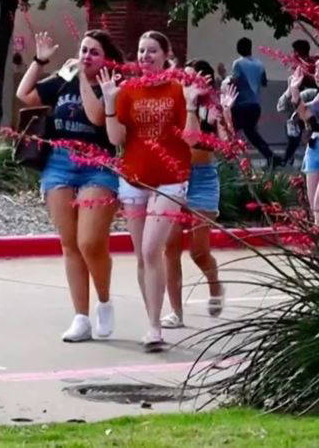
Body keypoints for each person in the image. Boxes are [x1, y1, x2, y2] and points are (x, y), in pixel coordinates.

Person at [16, 30, 123, 342]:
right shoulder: (64, 78)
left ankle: (104, 301)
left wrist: (84, 79)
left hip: (97, 165)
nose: (86, 56)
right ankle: (81, 318)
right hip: (60, 162)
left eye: (94, 52)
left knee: (90, 242)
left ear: (106, 59)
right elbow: (26, 94)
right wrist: (40, 61)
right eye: (84, 50)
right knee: (70, 243)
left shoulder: (110, 85)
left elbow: (96, 117)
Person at [98, 30, 202, 348]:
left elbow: (192, 140)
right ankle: (152, 322)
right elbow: (116, 139)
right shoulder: (128, 90)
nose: (145, 56)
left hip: (171, 180)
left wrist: (192, 105)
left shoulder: (178, 88)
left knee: (150, 249)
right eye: (141, 51)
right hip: (134, 180)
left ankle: (155, 328)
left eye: (152, 50)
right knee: (143, 258)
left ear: (166, 54)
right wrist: (110, 103)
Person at [162, 60, 238, 328]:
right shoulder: (175, 104)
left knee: (198, 251)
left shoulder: (212, 108)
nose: (186, 83)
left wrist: (226, 114)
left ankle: (215, 285)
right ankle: (176, 312)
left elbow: (228, 147)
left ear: (204, 81)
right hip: (175, 177)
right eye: (183, 78)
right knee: (170, 247)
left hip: (203, 179)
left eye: (192, 79)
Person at [231, 37, 275, 167]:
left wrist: (226, 79)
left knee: (231, 130)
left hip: (240, 105)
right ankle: (270, 156)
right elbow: (264, 82)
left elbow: (235, 82)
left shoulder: (238, 63)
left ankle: (229, 159)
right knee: (251, 133)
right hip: (255, 105)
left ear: (238, 49)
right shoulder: (259, 64)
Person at [279, 39, 318, 167]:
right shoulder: (312, 63)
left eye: (294, 51)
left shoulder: (302, 67)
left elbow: (298, 87)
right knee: (302, 130)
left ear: (297, 52)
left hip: (304, 101)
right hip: (307, 102)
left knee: (295, 130)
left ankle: (288, 158)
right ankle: (290, 157)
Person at [290, 59, 319, 222]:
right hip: (314, 148)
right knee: (314, 207)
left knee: (318, 203)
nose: (317, 74)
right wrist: (294, 90)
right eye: (316, 70)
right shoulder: (316, 96)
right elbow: (305, 115)